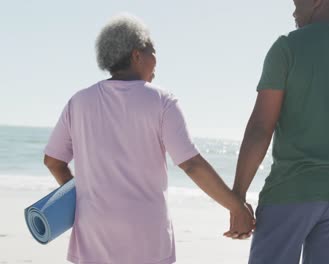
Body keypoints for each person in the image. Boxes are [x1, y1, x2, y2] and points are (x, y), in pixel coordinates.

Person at [43, 14, 254, 264]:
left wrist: (80, 197)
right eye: (152, 51)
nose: (156, 61)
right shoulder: (162, 101)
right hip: (146, 237)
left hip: (93, 234)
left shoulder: (78, 102)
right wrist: (236, 206)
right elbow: (191, 164)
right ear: (136, 55)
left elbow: (53, 160)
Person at [224, 0, 329, 263]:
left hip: (290, 193)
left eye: (296, 2)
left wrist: (238, 197)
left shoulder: (287, 47)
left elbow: (260, 128)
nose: (293, 10)